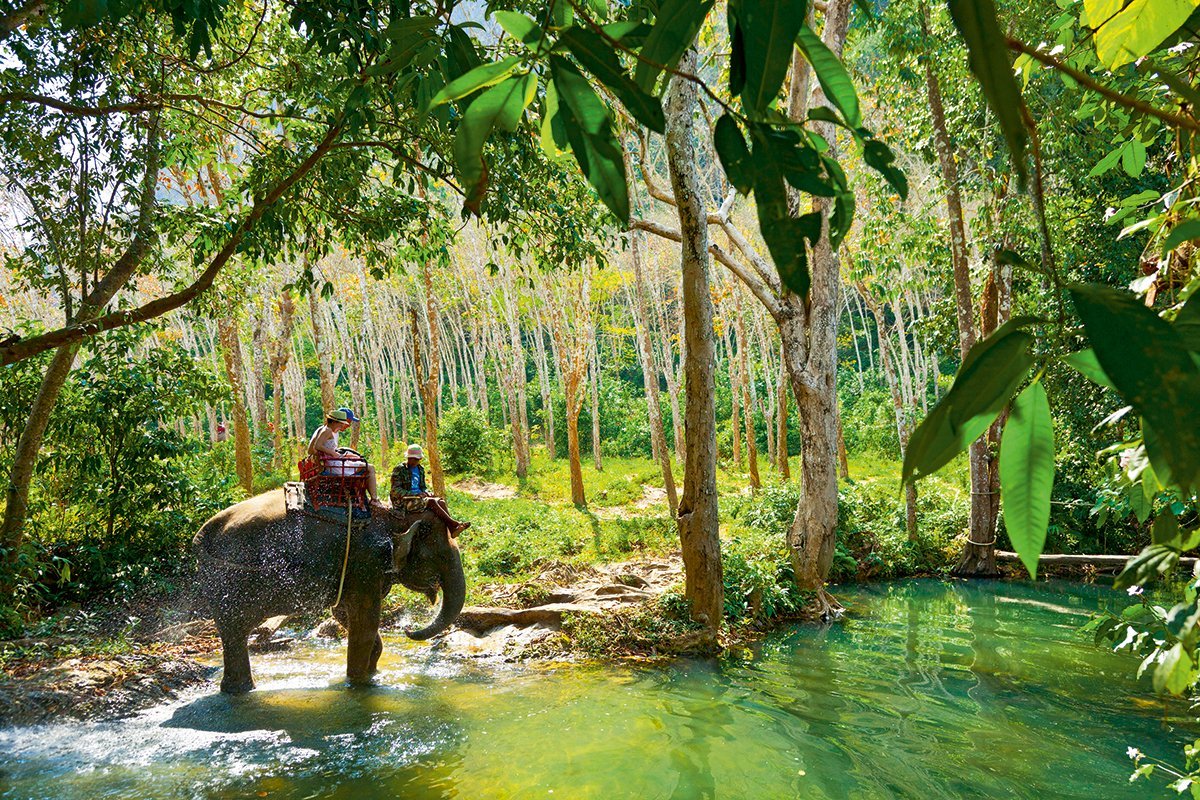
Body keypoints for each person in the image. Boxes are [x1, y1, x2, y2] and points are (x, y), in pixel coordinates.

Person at [308, 408, 382, 506]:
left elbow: (324, 448)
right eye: (342, 423)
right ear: (335, 422)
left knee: (358, 460)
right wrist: (333, 454)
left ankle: (366, 498)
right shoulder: (327, 431)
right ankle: (374, 499)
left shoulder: (328, 430)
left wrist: (341, 454)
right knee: (370, 467)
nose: (344, 425)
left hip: (333, 462)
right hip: (334, 466)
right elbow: (316, 447)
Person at [390, 444, 470, 535]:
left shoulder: (420, 469)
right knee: (431, 502)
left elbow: (422, 486)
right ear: (408, 458)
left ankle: (452, 529)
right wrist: (414, 494)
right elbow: (395, 490)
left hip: (418, 498)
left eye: (417, 459)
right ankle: (453, 523)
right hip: (404, 500)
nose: (414, 461)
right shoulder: (400, 469)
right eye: (412, 459)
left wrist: (426, 492)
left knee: (441, 502)